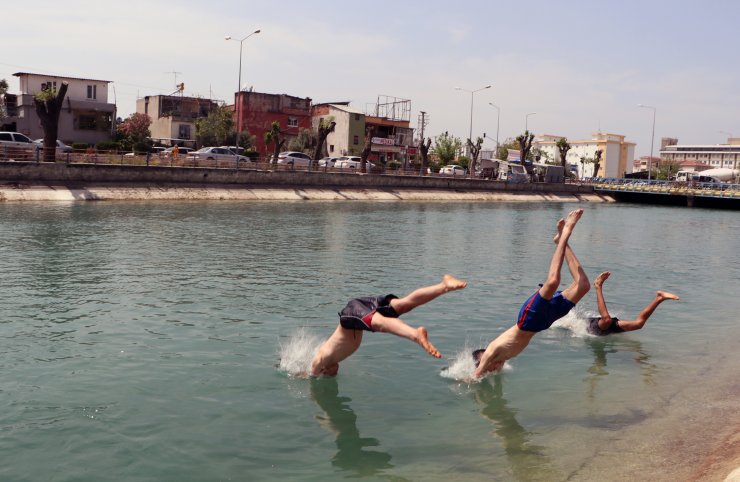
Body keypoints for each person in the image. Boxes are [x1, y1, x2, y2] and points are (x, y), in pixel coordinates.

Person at [473, 209, 590, 378]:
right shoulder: (502, 360)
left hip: (528, 319)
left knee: (552, 282)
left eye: (485, 364)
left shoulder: (492, 350)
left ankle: (566, 232)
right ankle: (561, 242)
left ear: (482, 358)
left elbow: (476, 374)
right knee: (583, 285)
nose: (491, 368)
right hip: (543, 322)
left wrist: (466, 380)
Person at [310, 274, 468, 376]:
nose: (333, 370)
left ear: (323, 369)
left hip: (350, 315)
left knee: (378, 323)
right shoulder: (334, 358)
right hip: (357, 310)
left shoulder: (321, 358)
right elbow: (334, 370)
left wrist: (310, 375)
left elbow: (314, 368)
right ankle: (444, 285)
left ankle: (415, 335)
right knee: (402, 305)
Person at [587, 271, 680, 336]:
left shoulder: (584, 324)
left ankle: (598, 285)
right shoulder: (579, 326)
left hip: (598, 327)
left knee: (607, 320)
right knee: (639, 324)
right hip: (605, 331)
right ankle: (659, 298)